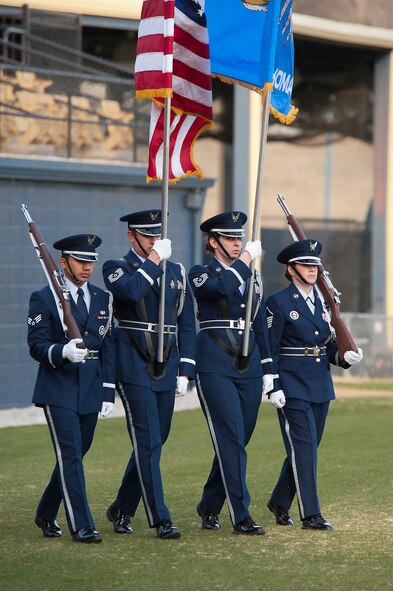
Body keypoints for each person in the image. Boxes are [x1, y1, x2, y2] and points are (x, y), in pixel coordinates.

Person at [102, 209, 196, 540]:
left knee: (156, 441)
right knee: (147, 441)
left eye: (157, 235)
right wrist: (154, 259)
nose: (154, 240)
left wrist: (186, 369)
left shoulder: (177, 271)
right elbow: (129, 293)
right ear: (132, 236)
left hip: (167, 364)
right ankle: (161, 518)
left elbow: (185, 321)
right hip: (132, 363)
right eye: (147, 236)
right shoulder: (115, 267)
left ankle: (122, 508)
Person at [189, 211, 279, 536]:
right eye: (229, 238)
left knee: (239, 439)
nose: (237, 242)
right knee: (230, 439)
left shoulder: (252, 278)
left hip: (250, 363)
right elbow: (221, 288)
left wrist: (269, 370)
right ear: (213, 242)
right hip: (214, 362)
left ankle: (209, 504)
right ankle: (241, 515)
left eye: (239, 237)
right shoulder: (201, 273)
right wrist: (244, 260)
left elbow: (260, 325)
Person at [265, 239, 363, 530]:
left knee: (306, 448)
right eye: (306, 265)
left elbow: (329, 347)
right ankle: (311, 514)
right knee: (304, 448)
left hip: (320, 382)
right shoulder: (278, 302)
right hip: (291, 383)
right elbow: (269, 347)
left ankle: (280, 501)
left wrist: (345, 357)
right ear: (291, 269)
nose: (312, 269)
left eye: (315, 265)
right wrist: (273, 384)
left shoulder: (323, 303)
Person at [28, 234, 116, 544]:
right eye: (81, 261)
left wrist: (108, 389)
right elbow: (36, 345)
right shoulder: (44, 297)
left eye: (91, 261)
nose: (88, 267)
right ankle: (83, 525)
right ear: (63, 263)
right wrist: (62, 351)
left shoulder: (103, 298)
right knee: (71, 456)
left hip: (90, 385)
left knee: (76, 454)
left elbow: (108, 345)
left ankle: (46, 511)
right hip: (59, 386)